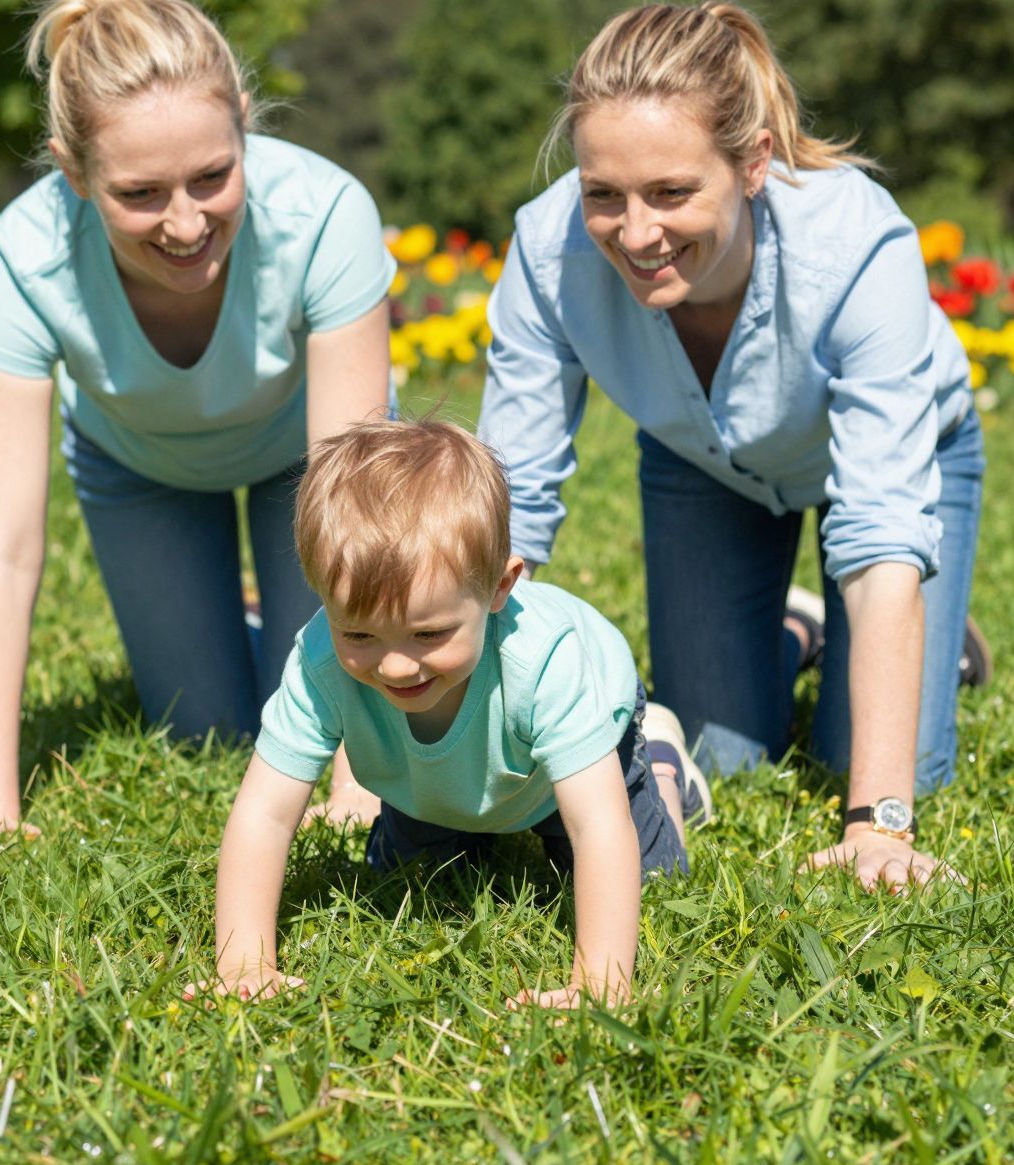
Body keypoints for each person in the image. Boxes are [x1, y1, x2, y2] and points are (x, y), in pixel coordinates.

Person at [477, 2, 985, 892]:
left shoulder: (857, 242)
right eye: (604, 195)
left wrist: (878, 824)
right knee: (726, 752)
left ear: (752, 166)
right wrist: (401, 754)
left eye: (672, 193)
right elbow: (506, 505)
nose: (636, 234)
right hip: (702, 466)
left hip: (903, 469)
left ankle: (931, 645)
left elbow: (879, 537)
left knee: (884, 764)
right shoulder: (544, 250)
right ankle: (798, 629)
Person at [0, 0, 393, 835]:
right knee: (208, 735)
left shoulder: (327, 215)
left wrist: (359, 780)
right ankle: (250, 619)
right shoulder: (20, 258)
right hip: (139, 469)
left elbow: (356, 508)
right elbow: (0, 549)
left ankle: (274, 610)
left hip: (304, 473)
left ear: (243, 124)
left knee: (304, 723)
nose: (186, 224)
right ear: (74, 174)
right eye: (139, 194)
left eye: (211, 178)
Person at [204, 419, 699, 1007]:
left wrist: (599, 987)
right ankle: (460, 813)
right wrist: (243, 964)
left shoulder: (548, 664)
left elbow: (598, 825)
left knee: (650, 880)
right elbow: (264, 813)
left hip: (572, 762)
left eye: (428, 632)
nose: (394, 666)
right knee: (408, 882)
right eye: (358, 633)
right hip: (431, 786)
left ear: (499, 587)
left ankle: (664, 769)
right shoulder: (320, 664)